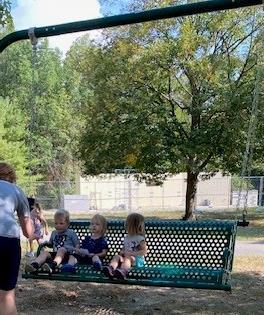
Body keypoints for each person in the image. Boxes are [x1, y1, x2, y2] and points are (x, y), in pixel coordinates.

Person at [0, 162, 34, 315]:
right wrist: (30, 215)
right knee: (6, 295)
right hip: (8, 241)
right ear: (12, 177)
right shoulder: (17, 191)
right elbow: (28, 232)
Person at [25, 209, 79, 274]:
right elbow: (51, 244)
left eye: (61, 223)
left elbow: (77, 244)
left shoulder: (71, 233)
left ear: (67, 224)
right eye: (56, 223)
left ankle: (53, 265)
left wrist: (76, 252)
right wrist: (46, 243)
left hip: (67, 256)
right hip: (55, 254)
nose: (58, 225)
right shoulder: (54, 233)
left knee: (62, 249)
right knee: (45, 253)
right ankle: (34, 265)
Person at [103, 212, 148, 279]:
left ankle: (124, 271)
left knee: (128, 259)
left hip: (137, 260)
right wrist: (122, 251)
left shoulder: (140, 238)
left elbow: (144, 251)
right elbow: (125, 247)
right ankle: (111, 269)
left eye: (127, 224)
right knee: (117, 257)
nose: (125, 226)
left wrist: (132, 253)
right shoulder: (127, 237)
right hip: (126, 258)